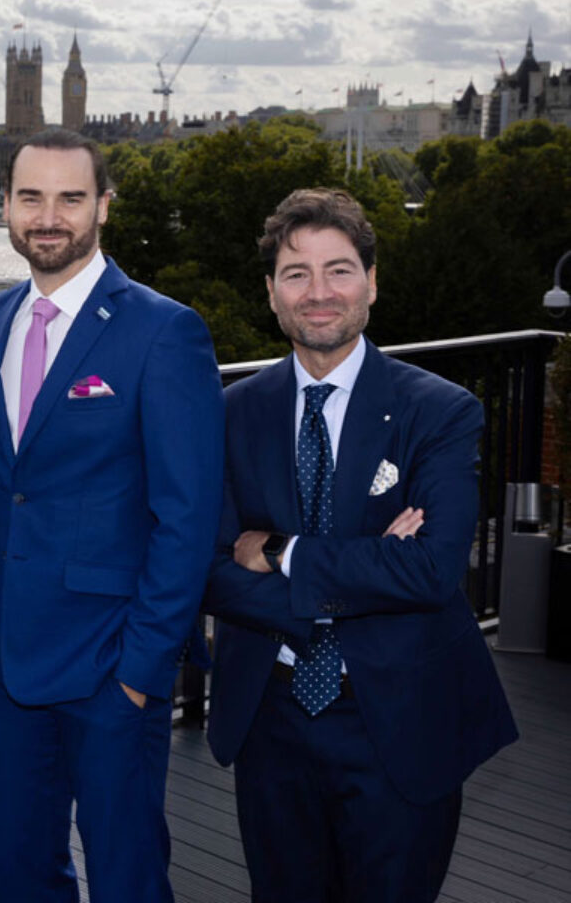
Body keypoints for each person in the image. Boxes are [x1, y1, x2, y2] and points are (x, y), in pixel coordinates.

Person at [203, 188, 518, 902]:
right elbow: (211, 571)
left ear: (372, 283)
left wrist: (282, 553)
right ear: (271, 294)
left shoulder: (438, 411)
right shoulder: (229, 414)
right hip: (270, 721)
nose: (319, 293)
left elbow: (433, 568)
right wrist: (369, 570)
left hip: (401, 718)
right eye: (296, 274)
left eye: (339, 270)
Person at [0, 127, 225, 902]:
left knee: (128, 875)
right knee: (22, 874)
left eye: (71, 197)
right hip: (0, 661)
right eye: (31, 197)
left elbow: (187, 518)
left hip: (108, 667)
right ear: (5, 206)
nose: (49, 216)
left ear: (103, 205)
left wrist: (140, 671)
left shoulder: (163, 331)